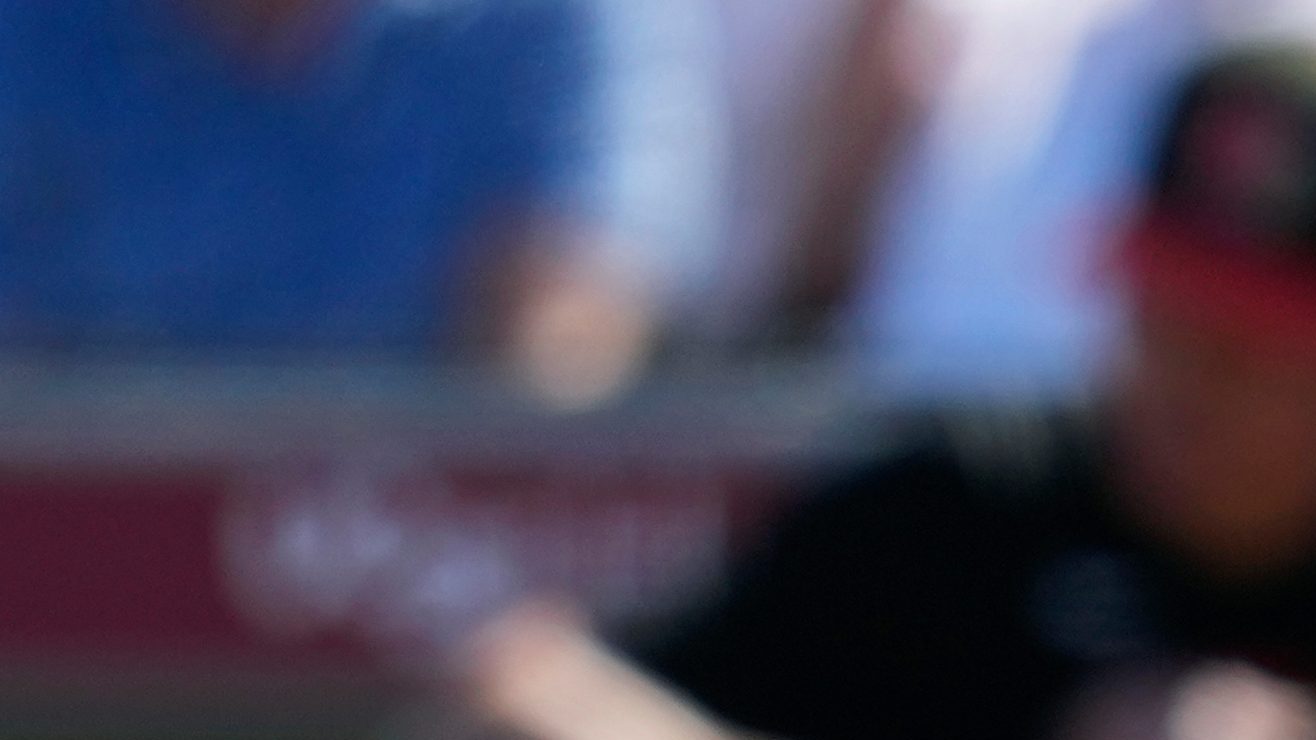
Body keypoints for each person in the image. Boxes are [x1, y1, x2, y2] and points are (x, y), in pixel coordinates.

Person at [466, 43, 1316, 740]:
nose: (1190, 387)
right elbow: (560, 688)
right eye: (1164, 326)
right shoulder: (963, 505)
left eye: (1249, 353)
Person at [0, 0, 602, 353]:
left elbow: (562, 320)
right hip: (81, 512)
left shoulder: (514, 24)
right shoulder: (27, 31)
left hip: (393, 505)